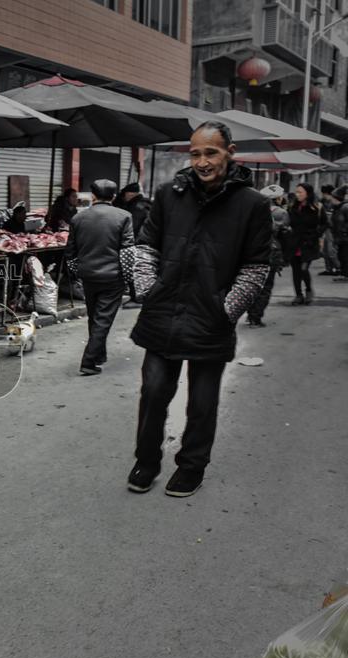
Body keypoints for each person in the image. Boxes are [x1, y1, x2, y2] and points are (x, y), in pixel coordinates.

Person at [128, 120, 271, 498]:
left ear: (230, 152)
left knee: (202, 402)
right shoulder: (168, 194)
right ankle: (146, 460)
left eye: (211, 152)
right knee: (153, 392)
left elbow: (256, 267)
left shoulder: (253, 205)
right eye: (195, 154)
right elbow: (147, 247)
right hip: (162, 313)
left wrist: (226, 310)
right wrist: (148, 291)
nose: (202, 162)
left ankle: (192, 466)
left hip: (211, 319)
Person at [65, 179, 135, 375]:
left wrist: (77, 272)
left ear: (93, 196)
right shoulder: (124, 216)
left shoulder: (78, 218)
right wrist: (128, 279)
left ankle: (98, 355)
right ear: (114, 196)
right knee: (103, 319)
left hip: (88, 276)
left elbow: (70, 252)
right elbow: (127, 251)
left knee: (94, 317)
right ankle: (88, 361)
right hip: (113, 277)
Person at [246, 185, 291, 327]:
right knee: (266, 286)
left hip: (250, 252)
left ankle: (251, 313)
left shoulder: (251, 210)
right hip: (271, 252)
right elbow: (285, 235)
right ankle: (255, 317)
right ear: (277, 198)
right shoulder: (281, 213)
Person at [285, 182, 324, 305]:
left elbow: (325, 224)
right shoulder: (292, 207)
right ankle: (298, 295)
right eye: (296, 192)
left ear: (308, 193)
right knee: (295, 270)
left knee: (303, 269)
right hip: (294, 242)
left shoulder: (317, 207)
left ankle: (308, 290)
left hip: (309, 243)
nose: (297, 194)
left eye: (300, 192)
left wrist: (316, 234)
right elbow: (288, 222)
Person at [115, 183, 151, 307]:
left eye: (125, 194)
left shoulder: (136, 207)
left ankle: (137, 297)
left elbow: (133, 227)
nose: (124, 197)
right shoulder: (145, 204)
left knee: (132, 269)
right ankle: (138, 295)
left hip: (137, 242)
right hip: (146, 242)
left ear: (130, 194)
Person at [319, 184, 341, 276]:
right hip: (327, 228)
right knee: (325, 250)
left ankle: (339, 268)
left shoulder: (335, 202)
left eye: (324, 194)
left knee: (331, 250)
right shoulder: (324, 201)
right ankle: (329, 269)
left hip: (332, 229)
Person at [333, 185, 348, 282]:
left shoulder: (345, 207)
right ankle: (344, 273)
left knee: (344, 256)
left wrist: (344, 232)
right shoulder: (339, 208)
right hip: (341, 236)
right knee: (341, 255)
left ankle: (345, 274)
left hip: (344, 236)